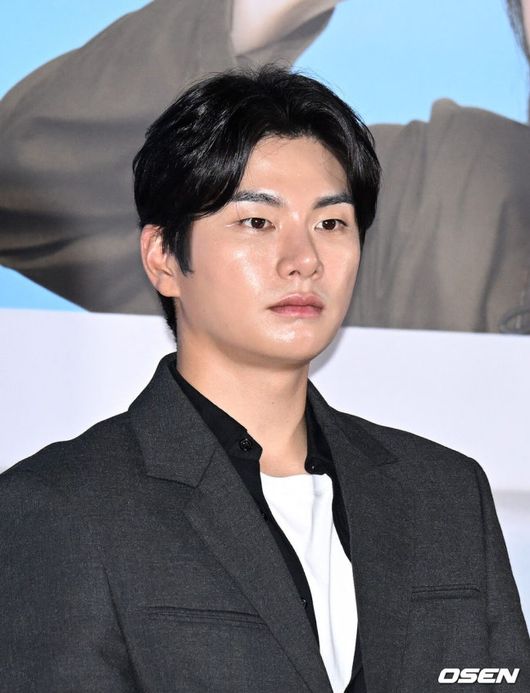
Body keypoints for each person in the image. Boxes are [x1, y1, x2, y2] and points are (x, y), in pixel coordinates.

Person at [1, 67, 529, 693]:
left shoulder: (446, 494)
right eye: (257, 222)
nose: (304, 260)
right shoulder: (59, 507)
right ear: (163, 257)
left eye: (331, 224)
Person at [1, 0, 530, 333]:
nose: (302, 259)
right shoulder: (426, 192)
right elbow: (27, 193)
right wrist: (260, 12)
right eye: (258, 221)